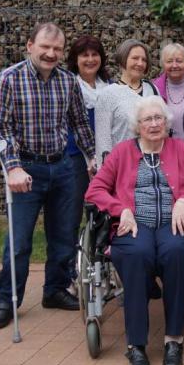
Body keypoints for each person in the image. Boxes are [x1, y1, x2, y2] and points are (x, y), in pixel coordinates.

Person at [85, 96, 184, 365]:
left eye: (159, 118)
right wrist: (120, 209)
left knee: (176, 252)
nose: (154, 124)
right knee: (136, 254)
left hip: (174, 223)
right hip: (133, 224)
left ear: (167, 123)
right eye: (148, 120)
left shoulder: (182, 149)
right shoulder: (121, 152)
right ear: (137, 126)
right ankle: (136, 345)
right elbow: (94, 191)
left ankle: (173, 341)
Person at [0, 22, 97, 330]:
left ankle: (55, 290)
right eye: (45, 47)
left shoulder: (68, 81)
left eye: (57, 49)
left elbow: (79, 123)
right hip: (26, 169)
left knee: (63, 235)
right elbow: (1, 129)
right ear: (30, 46)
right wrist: (13, 167)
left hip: (62, 168)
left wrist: (91, 157)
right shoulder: (8, 79)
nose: (51, 54)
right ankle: (7, 298)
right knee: (20, 241)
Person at [65, 35, 111, 232]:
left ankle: (99, 254)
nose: (90, 59)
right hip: (75, 155)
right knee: (72, 209)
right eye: (85, 55)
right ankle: (70, 258)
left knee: (104, 207)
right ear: (75, 59)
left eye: (95, 54)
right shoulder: (67, 85)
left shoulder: (110, 85)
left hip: (106, 154)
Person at [95, 39, 159, 165]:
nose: (140, 63)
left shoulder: (152, 89)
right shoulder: (108, 95)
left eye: (144, 60)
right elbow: (103, 142)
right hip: (123, 166)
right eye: (135, 58)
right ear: (123, 59)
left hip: (152, 164)